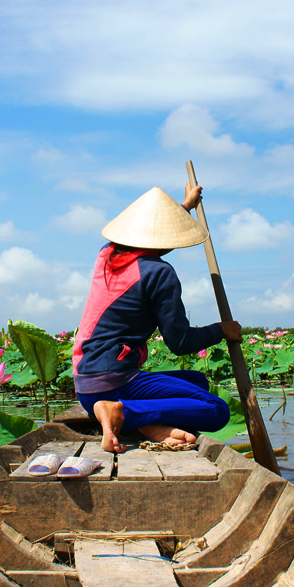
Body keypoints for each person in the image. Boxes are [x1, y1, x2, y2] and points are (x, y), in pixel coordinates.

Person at [71, 182, 241, 453]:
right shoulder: (160, 273)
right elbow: (180, 341)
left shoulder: (107, 254)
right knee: (216, 409)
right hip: (113, 383)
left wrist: (184, 206)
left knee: (196, 381)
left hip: (85, 385)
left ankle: (142, 422)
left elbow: (152, 237)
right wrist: (222, 330)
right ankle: (122, 413)